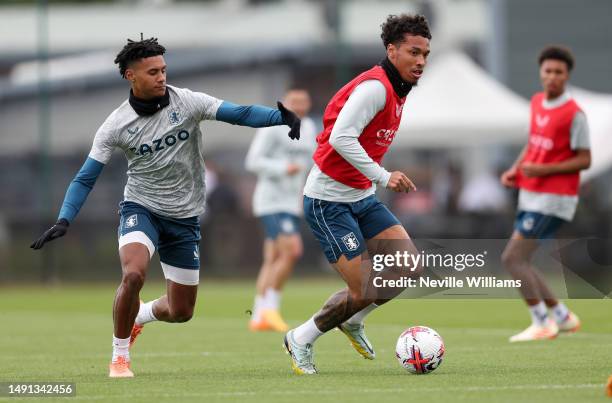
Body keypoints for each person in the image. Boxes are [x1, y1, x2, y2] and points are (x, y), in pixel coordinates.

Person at [30, 37, 301, 378]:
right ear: (130, 76)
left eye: (163, 70)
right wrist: (64, 219)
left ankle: (141, 316)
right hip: (140, 207)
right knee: (133, 273)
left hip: (185, 216)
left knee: (181, 310)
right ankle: (119, 355)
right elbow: (85, 178)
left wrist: (282, 118)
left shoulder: (186, 101)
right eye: (152, 72)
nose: (161, 77)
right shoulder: (116, 125)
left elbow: (239, 113)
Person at [283, 14, 430, 374]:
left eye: (426, 54)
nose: (421, 61)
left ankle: (353, 320)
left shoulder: (398, 89)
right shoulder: (375, 88)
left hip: (360, 198)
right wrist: (383, 176)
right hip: (327, 202)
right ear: (391, 50)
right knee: (364, 285)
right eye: (414, 52)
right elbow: (340, 137)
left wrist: (373, 180)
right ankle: (300, 338)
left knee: (408, 266)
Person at [500, 45, 590, 342]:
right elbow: (533, 143)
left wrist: (545, 170)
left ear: (567, 76)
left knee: (512, 259)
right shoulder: (538, 102)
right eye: (548, 71)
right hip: (531, 193)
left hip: (555, 198)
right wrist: (517, 167)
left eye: (558, 72)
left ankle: (542, 322)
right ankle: (562, 317)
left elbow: (584, 159)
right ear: (541, 73)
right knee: (520, 260)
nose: (552, 77)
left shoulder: (574, 114)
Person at [245, 88, 317, 332]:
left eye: (303, 102)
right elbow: (253, 161)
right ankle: (271, 309)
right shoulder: (273, 125)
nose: (299, 106)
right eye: (294, 102)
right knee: (293, 251)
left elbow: (309, 161)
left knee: (273, 258)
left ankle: (258, 315)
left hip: (291, 202)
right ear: (284, 103)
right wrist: (283, 168)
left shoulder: (308, 127)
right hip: (272, 201)